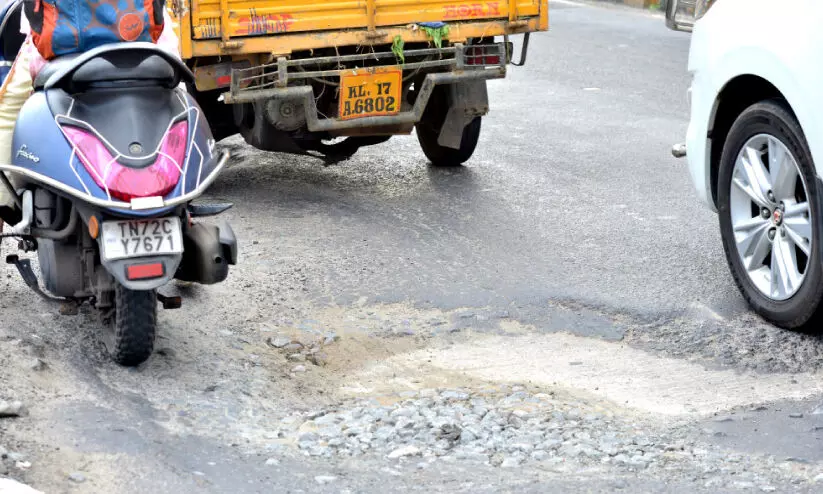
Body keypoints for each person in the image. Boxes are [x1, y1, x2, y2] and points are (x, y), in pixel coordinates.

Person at [0, 5, 183, 233]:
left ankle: (6, 204)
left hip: (63, 52)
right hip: (143, 43)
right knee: (177, 95)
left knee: (6, 113)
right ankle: (185, 204)